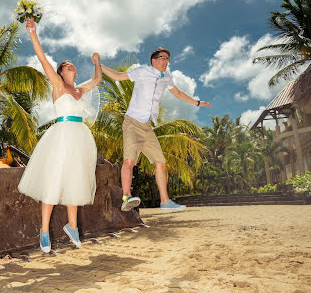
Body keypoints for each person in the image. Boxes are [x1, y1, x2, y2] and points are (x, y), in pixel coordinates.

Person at [18, 17, 101, 253]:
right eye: (66, 65)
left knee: (75, 179)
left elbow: (97, 79)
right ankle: (44, 230)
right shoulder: (57, 84)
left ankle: (72, 226)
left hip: (79, 136)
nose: (71, 66)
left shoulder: (79, 90)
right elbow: (43, 59)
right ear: (60, 72)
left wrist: (97, 62)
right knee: (54, 181)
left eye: (72, 64)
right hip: (61, 134)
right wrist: (33, 33)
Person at [101, 47, 212, 211]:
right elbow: (117, 76)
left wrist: (197, 103)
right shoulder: (142, 71)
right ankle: (126, 196)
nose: (166, 61)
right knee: (129, 161)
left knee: (160, 162)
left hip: (147, 126)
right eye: (163, 58)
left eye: (168, 59)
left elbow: (178, 93)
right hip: (132, 122)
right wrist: (99, 64)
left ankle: (165, 201)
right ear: (153, 60)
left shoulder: (167, 77)